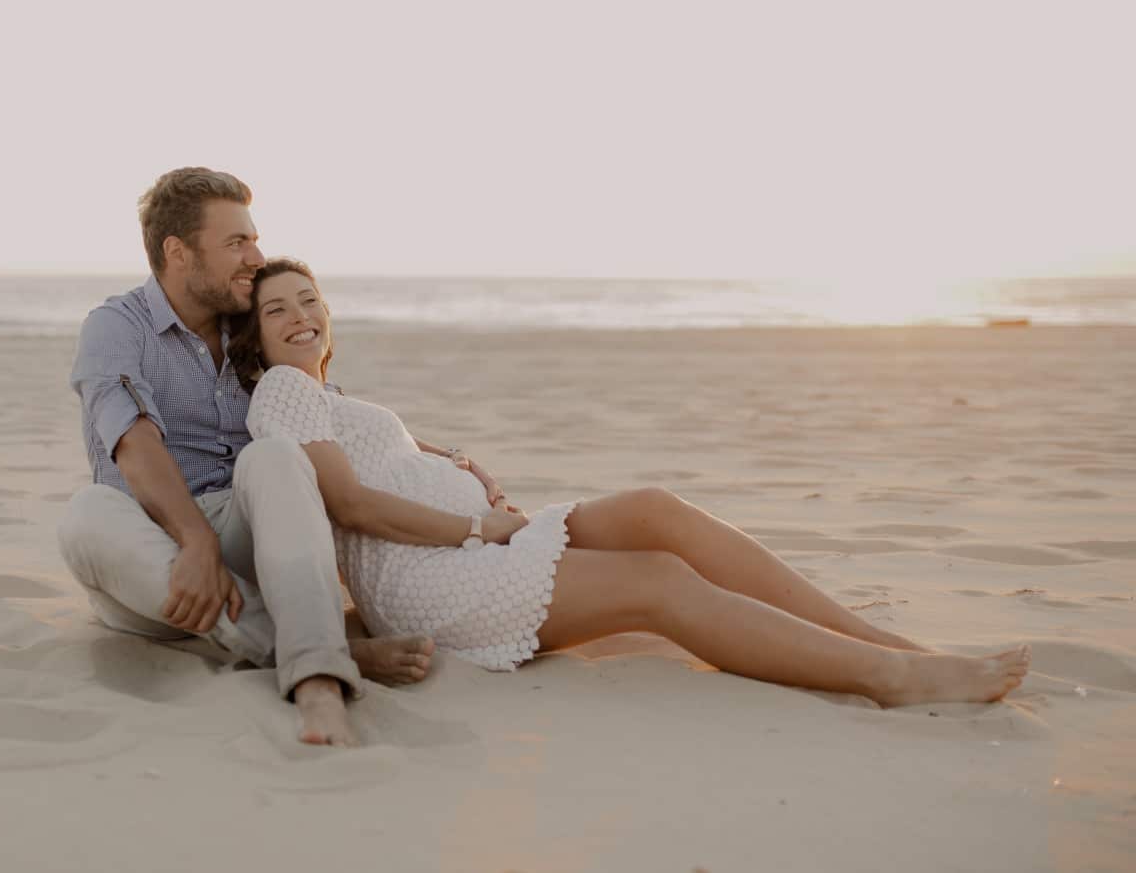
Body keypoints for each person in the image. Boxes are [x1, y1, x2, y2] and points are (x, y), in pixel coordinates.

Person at [227, 258, 1033, 712]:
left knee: (656, 509)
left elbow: (377, 463)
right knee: (656, 580)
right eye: (277, 312)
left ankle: (878, 640)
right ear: (255, 342)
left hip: (469, 548)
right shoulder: (284, 390)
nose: (301, 316)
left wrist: (453, 465)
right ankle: (888, 677)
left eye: (310, 300)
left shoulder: (329, 397)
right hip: (438, 575)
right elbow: (352, 505)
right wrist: (478, 528)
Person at [57, 167, 443, 748]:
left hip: (252, 541)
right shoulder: (116, 327)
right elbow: (134, 445)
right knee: (86, 512)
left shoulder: (249, 324)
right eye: (237, 242)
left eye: (254, 239)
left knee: (276, 457)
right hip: (152, 558)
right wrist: (195, 541)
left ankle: (317, 680)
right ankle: (324, 650)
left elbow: (326, 414)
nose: (256, 257)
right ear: (177, 252)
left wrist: (447, 458)